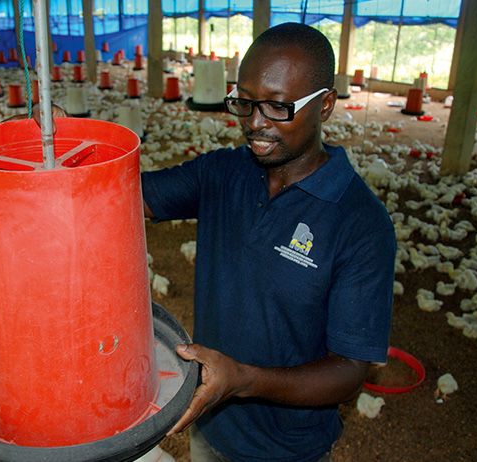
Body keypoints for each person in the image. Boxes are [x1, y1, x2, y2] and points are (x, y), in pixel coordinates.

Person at [141, 23, 396, 461]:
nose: (255, 124)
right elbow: (131, 196)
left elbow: (350, 370)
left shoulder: (361, 224)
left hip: (285, 448)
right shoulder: (224, 173)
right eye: (245, 102)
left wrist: (242, 379)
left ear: (327, 105)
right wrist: (71, 152)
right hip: (212, 425)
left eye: (278, 107)